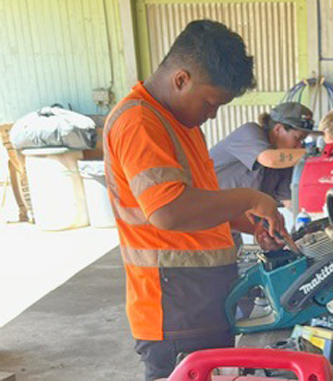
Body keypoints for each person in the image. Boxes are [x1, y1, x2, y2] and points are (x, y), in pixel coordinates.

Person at [103, 20, 289, 381]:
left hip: (198, 301)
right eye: (210, 102)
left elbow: (200, 204)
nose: (213, 113)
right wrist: (251, 197)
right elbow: (170, 212)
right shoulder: (140, 123)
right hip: (173, 309)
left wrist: (250, 224)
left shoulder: (182, 126)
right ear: (181, 79)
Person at [209, 102, 314, 208]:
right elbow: (270, 159)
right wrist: (314, 154)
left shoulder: (284, 161)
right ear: (278, 128)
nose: (299, 146)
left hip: (240, 217)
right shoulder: (249, 132)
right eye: (297, 138)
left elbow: (289, 201)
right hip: (210, 212)